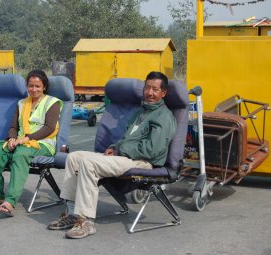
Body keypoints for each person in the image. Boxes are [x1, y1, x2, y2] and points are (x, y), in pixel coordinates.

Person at [47, 71, 177, 238]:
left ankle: (86, 222)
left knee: (88, 163)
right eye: (147, 88)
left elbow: (152, 150)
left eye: (155, 89)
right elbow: (128, 138)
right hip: (125, 157)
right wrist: (114, 146)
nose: (149, 92)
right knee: (74, 158)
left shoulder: (164, 116)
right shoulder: (141, 112)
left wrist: (119, 150)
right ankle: (73, 214)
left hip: (143, 162)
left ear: (163, 93)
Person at [0, 70, 63, 217]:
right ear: (27, 86)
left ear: (44, 87)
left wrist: (27, 139)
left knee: (20, 155)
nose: (34, 89)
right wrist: (12, 139)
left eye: (38, 86)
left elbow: (49, 127)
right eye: (31, 86)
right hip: (20, 142)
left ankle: (10, 202)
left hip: (42, 144)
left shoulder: (52, 103)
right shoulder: (21, 103)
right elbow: (13, 127)